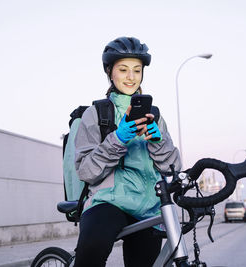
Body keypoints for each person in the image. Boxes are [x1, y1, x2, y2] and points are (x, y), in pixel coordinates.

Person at [73, 36, 181, 267]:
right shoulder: (96, 114)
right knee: (89, 254)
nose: (131, 77)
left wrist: (157, 141)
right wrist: (118, 139)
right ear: (110, 72)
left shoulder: (155, 116)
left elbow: (172, 167)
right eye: (123, 70)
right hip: (108, 203)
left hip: (149, 207)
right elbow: (85, 171)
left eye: (137, 70)